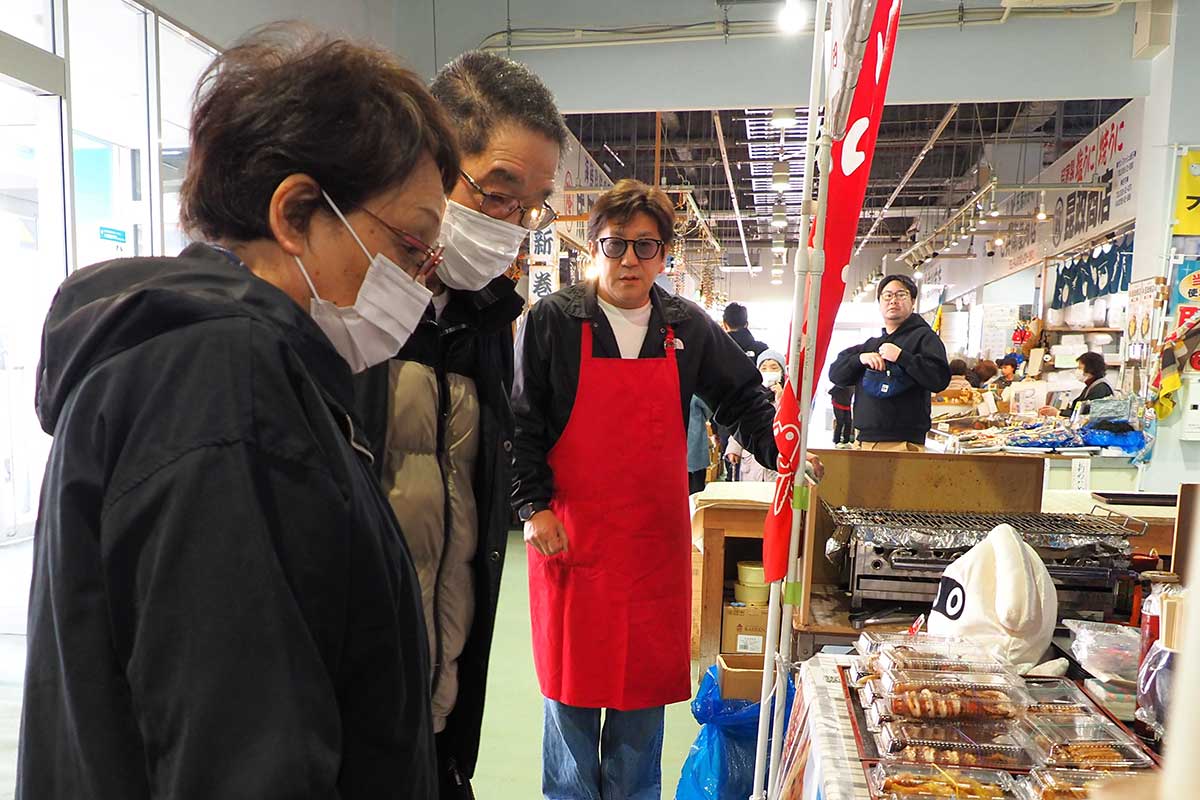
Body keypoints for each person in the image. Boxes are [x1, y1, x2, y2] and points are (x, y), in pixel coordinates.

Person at [18, 26, 458, 799]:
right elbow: (244, 753)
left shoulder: (222, 366)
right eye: (410, 247)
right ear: (295, 214)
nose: (420, 286)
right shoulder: (222, 389)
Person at [511, 179, 823, 799]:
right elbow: (521, 420)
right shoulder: (552, 319)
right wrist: (532, 505)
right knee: (570, 700)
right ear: (594, 247)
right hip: (570, 539)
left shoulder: (686, 326)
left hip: (652, 547)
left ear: (665, 254)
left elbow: (743, 399)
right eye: (616, 244)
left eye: (645, 246)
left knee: (640, 705)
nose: (630, 259)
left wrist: (784, 450)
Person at [352, 50, 568, 798]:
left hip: (439, 707)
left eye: (532, 204)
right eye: (499, 193)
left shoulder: (485, 322)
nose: (513, 224)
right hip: (354, 719)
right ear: (429, 160)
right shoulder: (356, 315)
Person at [828, 274, 951, 451]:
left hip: (903, 444)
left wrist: (903, 357)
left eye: (901, 295)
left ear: (913, 301)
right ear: (879, 302)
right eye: (887, 295)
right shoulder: (871, 345)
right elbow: (836, 374)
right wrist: (859, 359)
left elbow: (939, 379)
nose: (893, 300)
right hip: (864, 441)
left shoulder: (924, 338)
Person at [726, 349, 786, 482]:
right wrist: (733, 449)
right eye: (763, 368)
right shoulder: (752, 394)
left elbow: (790, 424)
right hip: (751, 459)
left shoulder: (789, 397)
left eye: (774, 367)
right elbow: (743, 420)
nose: (768, 371)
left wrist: (781, 400)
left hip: (776, 458)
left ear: (782, 372)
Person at [1039, 351, 1114, 418]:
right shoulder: (1091, 386)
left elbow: (1085, 414)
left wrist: (1058, 413)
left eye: (1080, 368)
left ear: (1090, 369)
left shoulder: (1100, 388)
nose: (1077, 371)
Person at [688, 396, 715, 494]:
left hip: (677, 450)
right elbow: (709, 410)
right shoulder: (695, 393)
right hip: (695, 446)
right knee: (697, 491)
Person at [830, 384, 855, 448]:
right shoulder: (843, 381)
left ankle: (846, 441)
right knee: (840, 422)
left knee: (848, 422)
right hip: (837, 403)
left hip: (847, 404)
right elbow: (831, 391)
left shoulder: (854, 384)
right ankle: (836, 441)